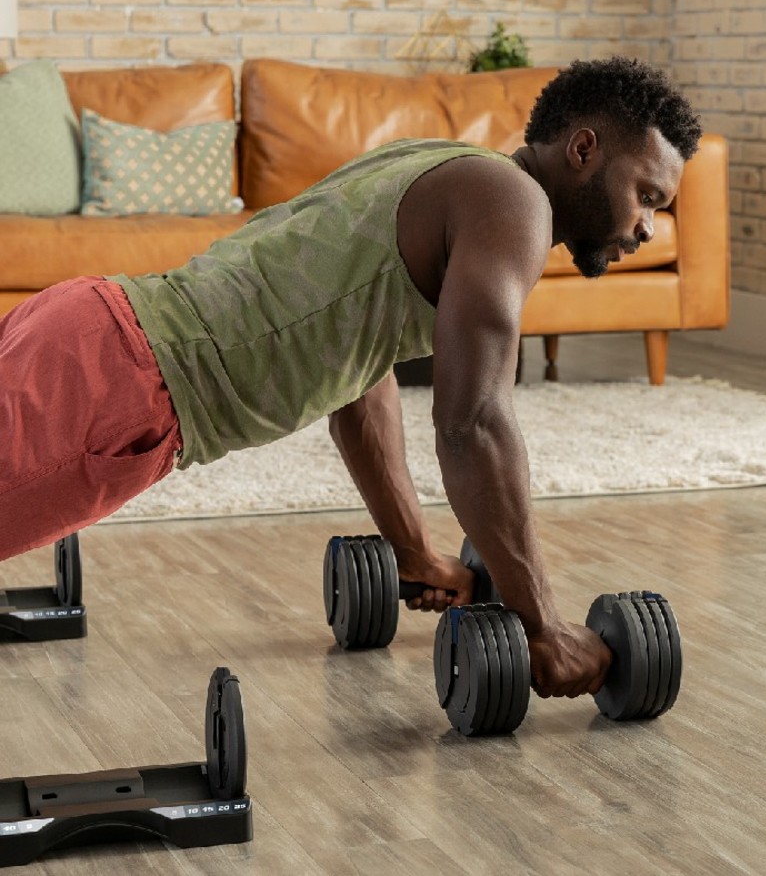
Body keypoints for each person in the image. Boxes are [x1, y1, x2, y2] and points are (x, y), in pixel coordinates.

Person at [0, 56, 703, 700]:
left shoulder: (439, 164)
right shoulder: (514, 208)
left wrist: (414, 553)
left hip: (89, 327)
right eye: (647, 195)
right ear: (584, 150)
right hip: (117, 387)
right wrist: (547, 627)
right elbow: (474, 424)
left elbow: (360, 377)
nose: (647, 227)